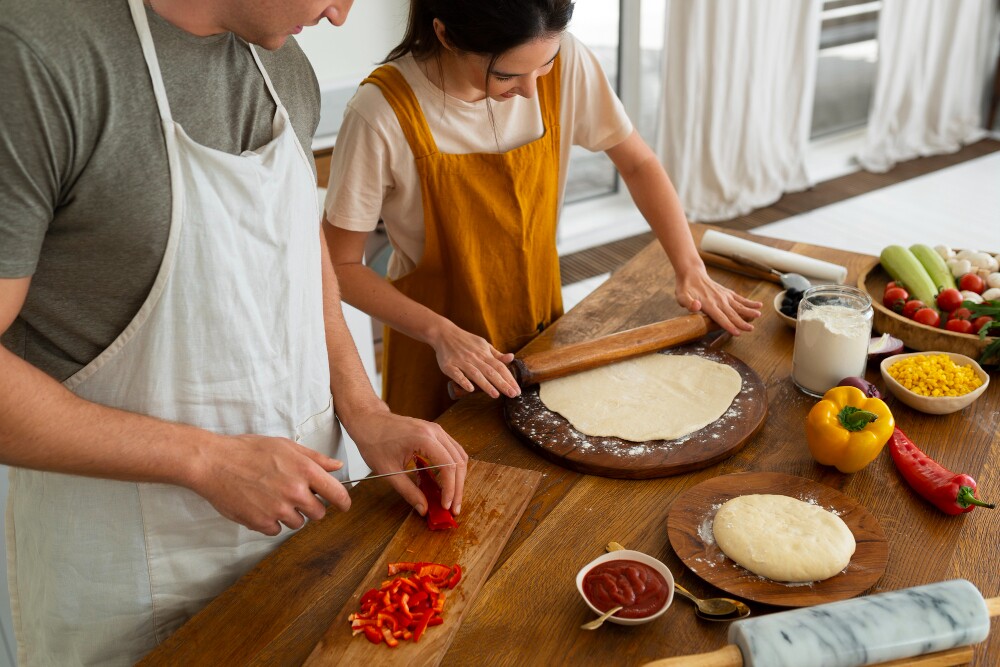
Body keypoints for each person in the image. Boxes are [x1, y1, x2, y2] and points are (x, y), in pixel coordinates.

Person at [0, 1, 467, 664]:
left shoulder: (285, 68)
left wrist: (365, 410)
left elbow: (302, 263)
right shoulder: (38, 59)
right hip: (132, 579)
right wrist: (207, 459)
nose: (340, 14)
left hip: (301, 542)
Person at [324, 0, 763, 421]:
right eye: (506, 74)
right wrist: (442, 335)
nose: (532, 88)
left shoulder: (563, 59)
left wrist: (688, 267)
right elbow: (340, 265)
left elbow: (638, 162)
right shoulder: (380, 113)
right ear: (446, 35)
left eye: (545, 65)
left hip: (540, 329)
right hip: (434, 351)